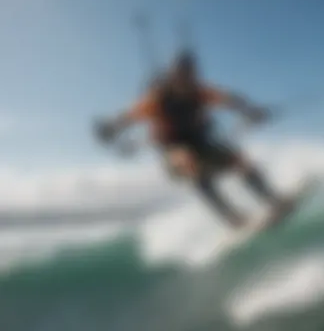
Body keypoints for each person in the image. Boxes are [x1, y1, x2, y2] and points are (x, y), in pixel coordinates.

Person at [96, 50, 288, 229]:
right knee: (189, 162)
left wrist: (252, 111)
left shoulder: (200, 92)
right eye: (180, 75)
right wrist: (110, 129)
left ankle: (273, 200)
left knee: (240, 160)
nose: (185, 80)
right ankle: (232, 218)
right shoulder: (157, 99)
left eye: (189, 75)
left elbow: (231, 99)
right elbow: (128, 116)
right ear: (173, 75)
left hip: (202, 144)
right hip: (173, 150)